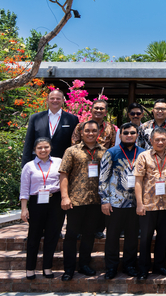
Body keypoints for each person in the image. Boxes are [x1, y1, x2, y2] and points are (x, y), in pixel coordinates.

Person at [58, 120, 105, 280]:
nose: (90, 133)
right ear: (82, 132)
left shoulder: (104, 152)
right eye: (87, 131)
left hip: (95, 200)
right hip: (76, 200)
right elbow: (64, 174)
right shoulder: (72, 151)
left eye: (94, 131)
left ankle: (84, 264)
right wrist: (65, 197)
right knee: (71, 235)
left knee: (89, 234)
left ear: (98, 132)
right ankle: (69, 269)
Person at [99, 123, 145, 279]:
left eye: (132, 132)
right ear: (120, 135)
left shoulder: (143, 153)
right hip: (115, 203)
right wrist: (105, 200)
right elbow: (103, 177)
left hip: (135, 203)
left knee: (132, 237)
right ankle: (111, 267)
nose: (129, 135)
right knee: (112, 236)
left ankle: (129, 265)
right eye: (126, 133)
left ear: (137, 135)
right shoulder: (111, 152)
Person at [134, 128, 166, 280]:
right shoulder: (143, 156)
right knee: (145, 238)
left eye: (163, 139)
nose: (160, 142)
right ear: (151, 141)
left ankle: (160, 266)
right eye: (157, 140)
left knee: (163, 237)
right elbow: (138, 181)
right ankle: (143, 269)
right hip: (148, 205)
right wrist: (139, 204)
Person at [19, 138, 64, 280]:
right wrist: (24, 209)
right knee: (34, 236)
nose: (43, 150)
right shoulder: (29, 166)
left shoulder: (58, 162)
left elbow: (64, 180)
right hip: (36, 202)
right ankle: (30, 268)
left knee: (52, 236)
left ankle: (47, 267)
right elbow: (24, 189)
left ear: (50, 148)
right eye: (39, 148)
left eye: (46, 147)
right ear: (34, 150)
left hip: (55, 201)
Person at [22, 88, 79, 164]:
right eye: (52, 98)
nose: (55, 100)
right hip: (39, 162)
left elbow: (75, 144)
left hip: (62, 162)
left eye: (58, 99)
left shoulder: (72, 119)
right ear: (47, 100)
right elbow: (29, 142)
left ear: (63, 101)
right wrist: (25, 164)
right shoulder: (36, 118)